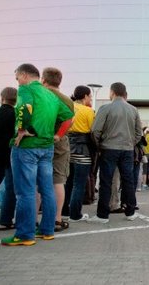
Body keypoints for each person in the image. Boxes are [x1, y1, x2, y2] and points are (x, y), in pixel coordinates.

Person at [2, 64, 74, 246]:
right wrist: (58, 135)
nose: (17, 81)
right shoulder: (50, 94)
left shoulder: (26, 89)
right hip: (47, 146)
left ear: (24, 75)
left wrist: (21, 130)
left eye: (17, 77)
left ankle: (25, 234)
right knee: (47, 189)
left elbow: (24, 108)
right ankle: (47, 230)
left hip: (27, 146)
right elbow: (68, 117)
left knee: (25, 192)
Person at [88, 82, 142, 223]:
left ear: (112, 92)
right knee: (128, 180)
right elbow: (138, 133)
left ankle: (102, 215)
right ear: (125, 93)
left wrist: (99, 146)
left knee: (106, 181)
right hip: (127, 150)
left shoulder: (105, 108)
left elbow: (95, 130)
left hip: (109, 148)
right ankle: (130, 212)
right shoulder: (133, 110)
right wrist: (130, 143)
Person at [41, 67, 74, 232]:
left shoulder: (40, 95)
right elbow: (69, 121)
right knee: (58, 180)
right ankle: (57, 219)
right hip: (60, 141)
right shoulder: (67, 100)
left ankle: (32, 220)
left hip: (39, 140)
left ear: (43, 80)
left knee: (36, 180)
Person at [64, 85, 95, 223]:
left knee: (67, 182)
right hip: (82, 148)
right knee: (80, 183)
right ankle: (75, 214)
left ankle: (64, 210)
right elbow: (93, 131)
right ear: (85, 96)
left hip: (66, 147)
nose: (91, 99)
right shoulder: (88, 111)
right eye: (90, 96)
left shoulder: (67, 107)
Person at [0, 87, 17, 231]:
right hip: (10, 155)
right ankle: (5, 221)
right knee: (10, 188)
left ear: (2, 97)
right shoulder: (15, 115)